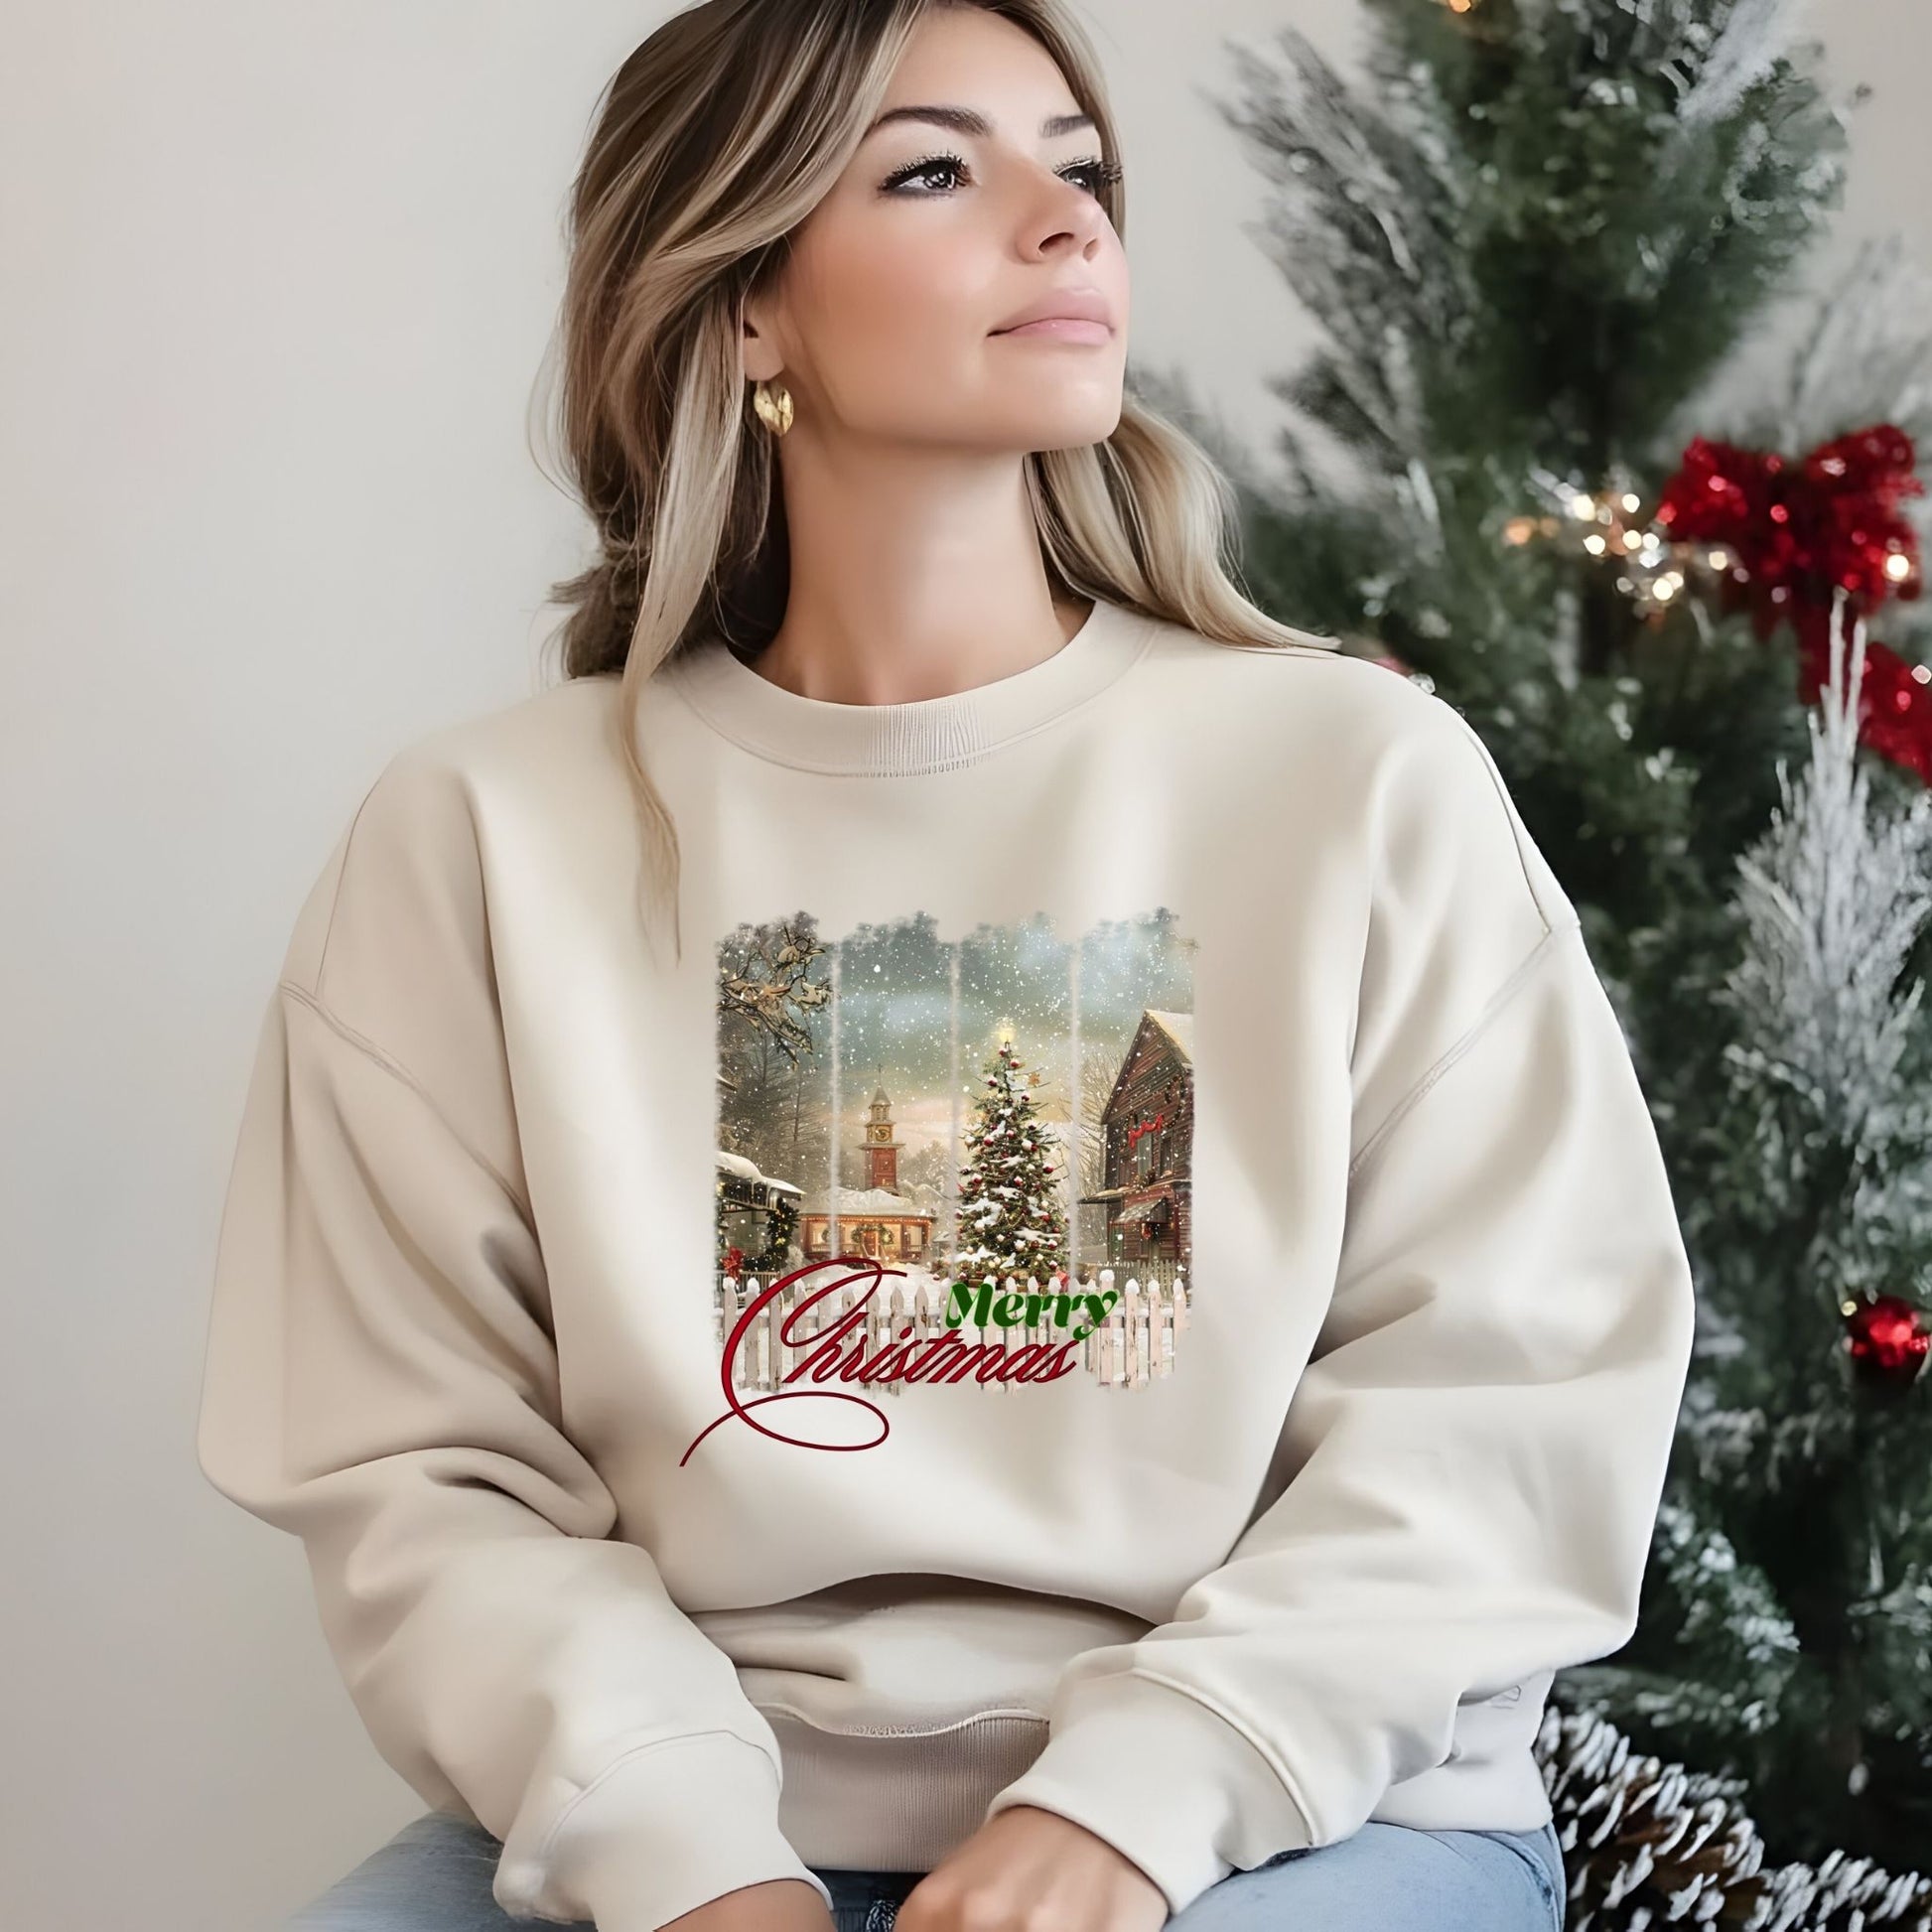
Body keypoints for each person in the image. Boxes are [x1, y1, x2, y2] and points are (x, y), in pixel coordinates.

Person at [194, 2, 1696, 1929]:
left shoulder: (1352, 777)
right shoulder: (481, 835)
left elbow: (1513, 1384)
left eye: (1079, 169)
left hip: (1304, 1806)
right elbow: (423, 1468)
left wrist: (1139, 1801)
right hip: (686, 1815)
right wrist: (688, 1858)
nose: (1065, 223)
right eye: (931, 169)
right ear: (746, 302)